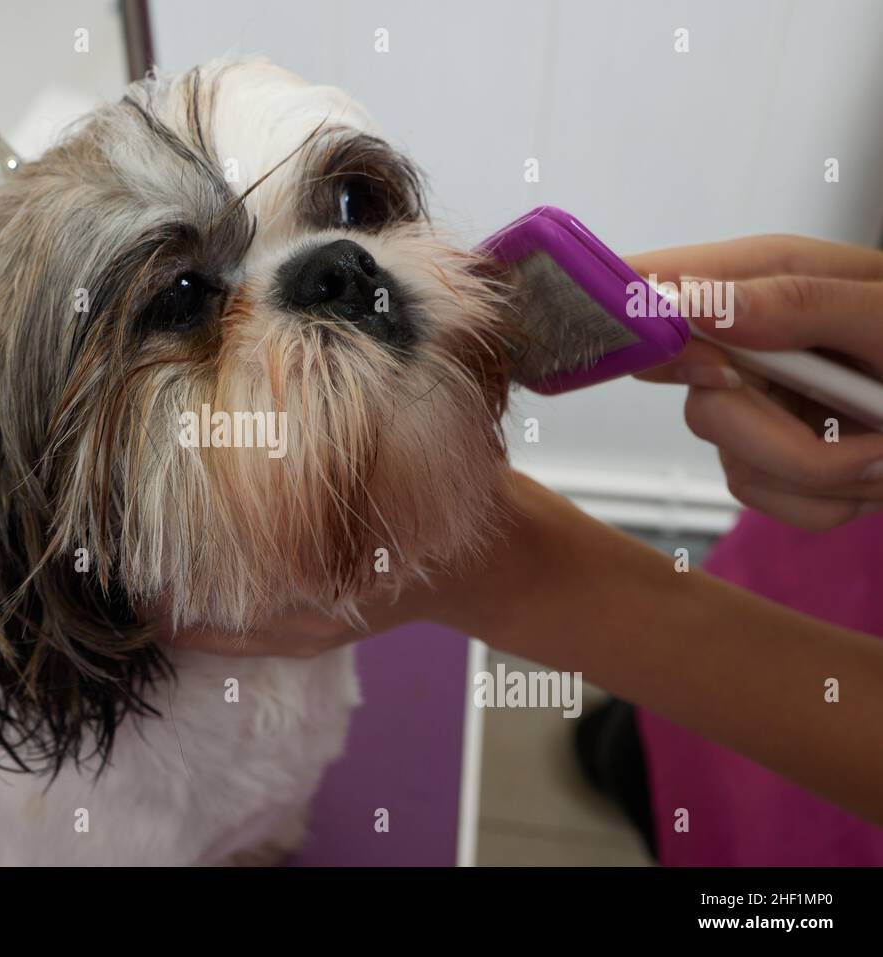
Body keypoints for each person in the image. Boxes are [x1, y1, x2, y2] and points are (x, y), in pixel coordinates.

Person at [172, 234, 883, 827]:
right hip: (820, 567)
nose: (351, 262)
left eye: (355, 206)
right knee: (644, 752)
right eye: (180, 303)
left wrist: (517, 578)